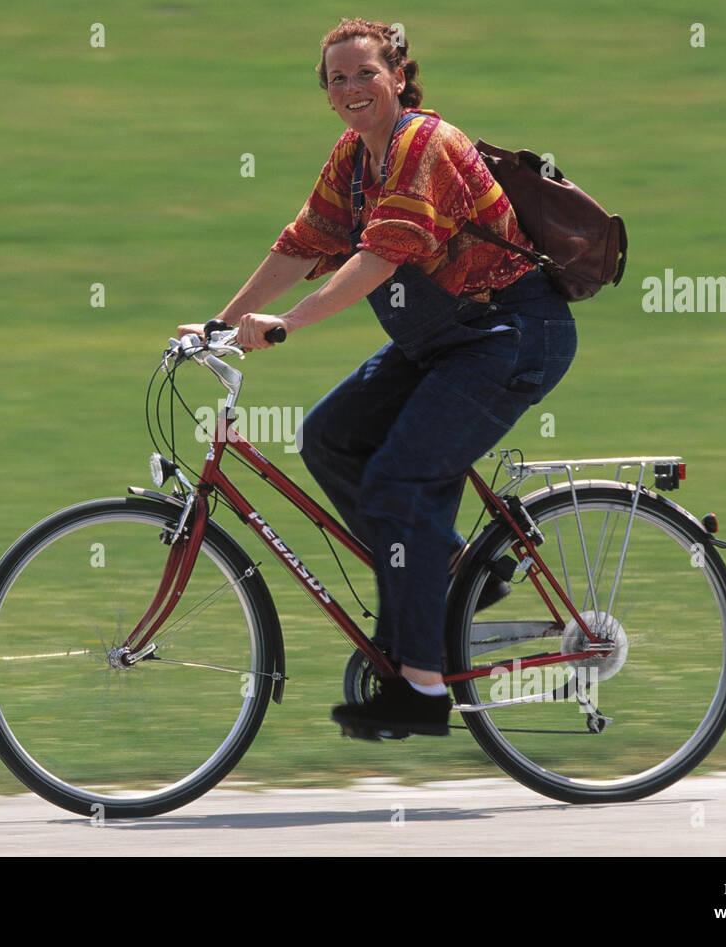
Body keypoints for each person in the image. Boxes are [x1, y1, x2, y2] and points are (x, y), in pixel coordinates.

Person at [178, 18, 577, 740]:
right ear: (327, 94)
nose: (352, 87)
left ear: (398, 76)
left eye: (366, 72)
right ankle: (451, 570)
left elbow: (381, 257)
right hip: (444, 341)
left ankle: (421, 686)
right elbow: (303, 244)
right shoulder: (354, 159)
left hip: (511, 335)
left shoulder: (424, 145)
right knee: (329, 437)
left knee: (399, 480)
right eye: (338, 78)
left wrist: (288, 323)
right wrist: (217, 324)